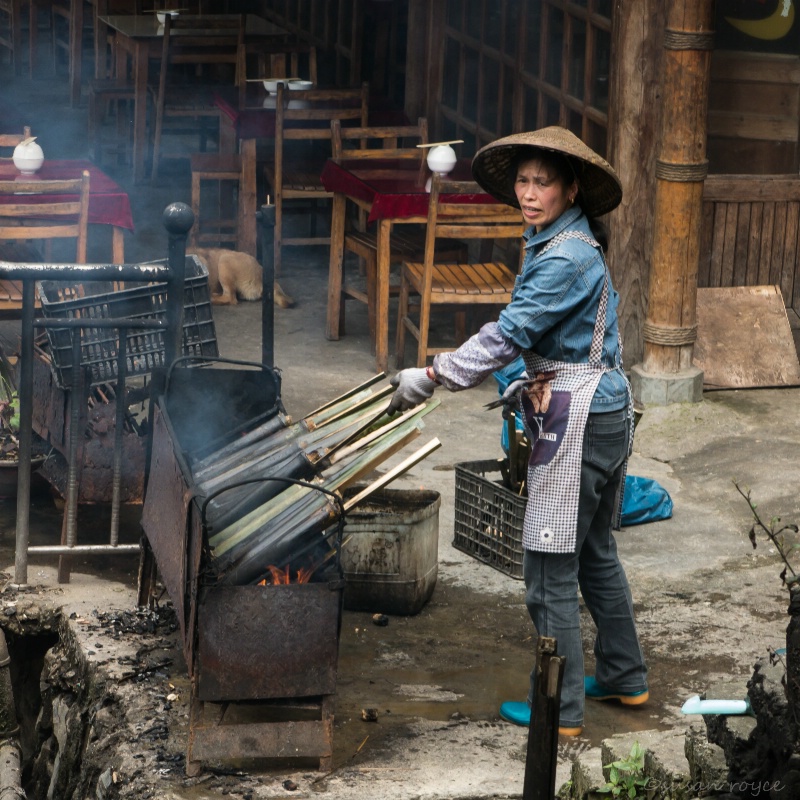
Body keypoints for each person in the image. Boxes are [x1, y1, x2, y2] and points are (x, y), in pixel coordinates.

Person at [388, 126, 648, 737]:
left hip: (581, 416)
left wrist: (434, 374)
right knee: (596, 555)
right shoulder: (558, 239)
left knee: (549, 563)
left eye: (543, 183)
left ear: (571, 188)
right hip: (603, 410)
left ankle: (561, 713)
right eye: (524, 182)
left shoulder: (563, 256)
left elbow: (509, 333)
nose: (529, 194)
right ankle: (623, 676)